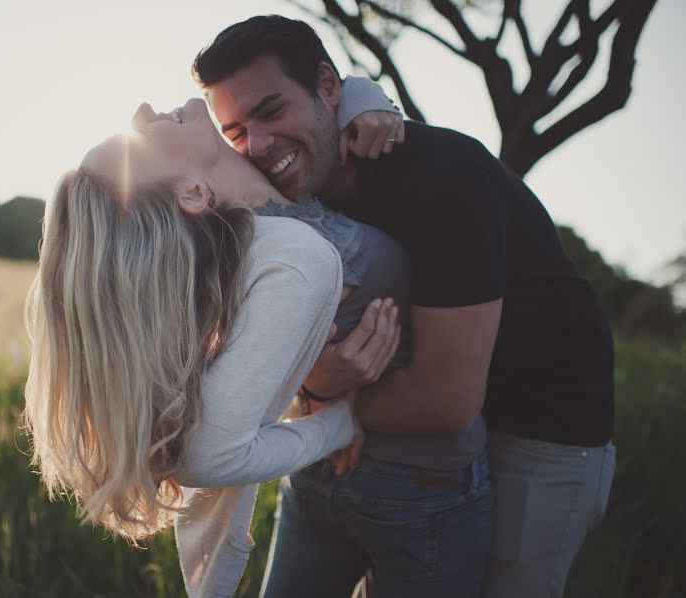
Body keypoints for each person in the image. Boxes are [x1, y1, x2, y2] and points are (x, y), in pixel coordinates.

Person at [194, 15, 616, 598]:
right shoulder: (291, 182)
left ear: (327, 85)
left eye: (270, 111)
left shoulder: (444, 178)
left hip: (543, 428)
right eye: (235, 131)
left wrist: (323, 398)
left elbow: (446, 403)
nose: (257, 147)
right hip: (416, 433)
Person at [23, 96, 406, 597]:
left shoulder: (259, 193)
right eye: (132, 146)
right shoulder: (293, 260)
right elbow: (208, 457)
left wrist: (362, 97)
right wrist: (340, 422)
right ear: (195, 192)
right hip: (415, 494)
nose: (140, 110)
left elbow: (309, 101)